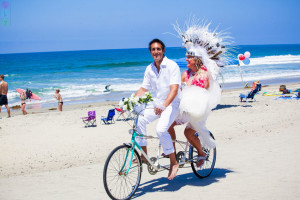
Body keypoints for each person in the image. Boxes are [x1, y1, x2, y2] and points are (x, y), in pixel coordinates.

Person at [169, 19, 231, 169]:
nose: (186, 59)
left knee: (188, 133)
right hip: (185, 107)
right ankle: (172, 153)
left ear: (196, 59)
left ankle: (201, 153)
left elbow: (202, 91)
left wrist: (186, 89)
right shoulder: (185, 74)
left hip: (199, 108)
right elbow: (177, 88)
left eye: (189, 57)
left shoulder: (204, 74)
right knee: (167, 125)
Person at [135, 38, 181, 180]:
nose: (156, 52)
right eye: (153, 50)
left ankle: (173, 162)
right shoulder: (150, 68)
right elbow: (144, 88)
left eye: (158, 49)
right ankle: (144, 155)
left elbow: (174, 89)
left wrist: (164, 105)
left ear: (163, 50)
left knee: (161, 129)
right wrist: (131, 102)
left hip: (172, 103)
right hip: (157, 103)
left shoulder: (172, 66)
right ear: (150, 52)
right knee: (140, 119)